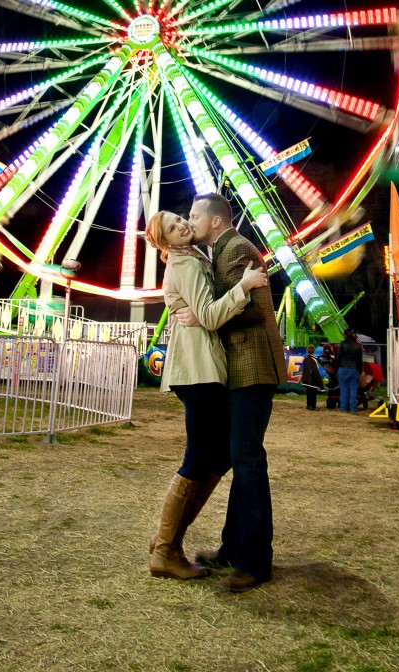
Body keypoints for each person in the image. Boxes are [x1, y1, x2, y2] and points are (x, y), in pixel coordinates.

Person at [144, 209, 268, 581]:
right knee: (199, 458)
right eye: (172, 226)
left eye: (181, 217)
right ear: (165, 241)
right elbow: (211, 315)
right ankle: (166, 549)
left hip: (202, 369)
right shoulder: (185, 265)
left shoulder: (195, 259)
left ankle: (168, 538)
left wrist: (201, 312)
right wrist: (243, 287)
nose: (183, 223)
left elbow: (203, 313)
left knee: (217, 457)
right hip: (196, 371)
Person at [177, 192, 287, 593]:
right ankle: (233, 548)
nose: (189, 222)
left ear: (217, 221)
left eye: (194, 215)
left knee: (248, 461)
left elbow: (255, 309)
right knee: (240, 459)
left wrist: (205, 319)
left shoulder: (237, 248)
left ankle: (255, 562)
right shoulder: (220, 250)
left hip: (252, 367)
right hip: (240, 368)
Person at [333, 328, 363, 413]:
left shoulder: (342, 344)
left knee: (343, 389)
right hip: (354, 369)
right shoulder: (358, 346)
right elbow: (359, 360)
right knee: (353, 389)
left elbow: (338, 358)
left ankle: (344, 408)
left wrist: (336, 369)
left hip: (343, 369)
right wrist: (360, 371)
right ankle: (353, 408)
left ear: (345, 335)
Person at [301, 344, 324, 410]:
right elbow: (316, 372)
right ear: (314, 351)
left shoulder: (305, 359)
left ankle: (308, 405)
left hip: (306, 380)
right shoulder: (314, 360)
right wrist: (320, 383)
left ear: (307, 350)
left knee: (308, 394)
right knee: (313, 394)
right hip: (312, 381)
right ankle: (313, 406)